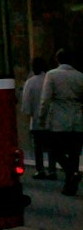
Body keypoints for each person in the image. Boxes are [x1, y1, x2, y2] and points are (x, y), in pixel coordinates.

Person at [39, 48, 83, 196]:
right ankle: (70, 184)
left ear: (57, 60)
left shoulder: (52, 75)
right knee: (74, 153)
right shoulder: (80, 76)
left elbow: (45, 99)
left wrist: (42, 118)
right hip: (77, 119)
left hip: (58, 120)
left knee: (55, 151)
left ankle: (71, 172)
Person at [21, 56, 56, 179]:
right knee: (52, 146)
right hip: (51, 119)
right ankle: (52, 170)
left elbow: (26, 105)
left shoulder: (30, 82)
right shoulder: (51, 79)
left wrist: (29, 114)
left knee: (38, 146)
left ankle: (40, 169)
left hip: (36, 120)